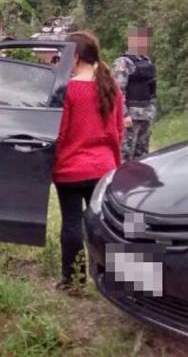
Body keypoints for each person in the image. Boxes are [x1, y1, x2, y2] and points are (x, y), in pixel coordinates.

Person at [53, 31, 125, 289]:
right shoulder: (112, 87)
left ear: (77, 56)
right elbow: (118, 131)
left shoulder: (68, 89)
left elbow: (61, 134)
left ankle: (73, 282)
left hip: (70, 170)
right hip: (103, 170)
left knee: (72, 225)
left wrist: (52, 162)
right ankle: (117, 280)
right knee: (105, 226)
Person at [112, 27, 157, 161]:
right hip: (130, 116)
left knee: (143, 155)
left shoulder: (147, 61)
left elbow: (152, 87)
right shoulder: (123, 62)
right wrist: (124, 115)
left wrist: (152, 109)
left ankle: (139, 181)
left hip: (145, 113)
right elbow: (117, 90)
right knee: (125, 154)